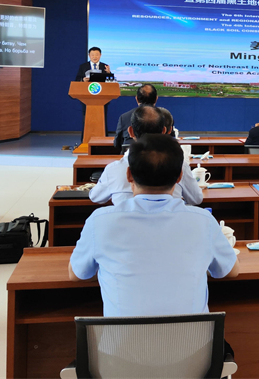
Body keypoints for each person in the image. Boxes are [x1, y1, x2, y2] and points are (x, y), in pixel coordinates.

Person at [69, 134, 239, 319]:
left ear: (128, 175)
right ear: (180, 177)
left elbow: (77, 274)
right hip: (192, 338)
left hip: (122, 338)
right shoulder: (203, 221)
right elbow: (231, 271)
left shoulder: (100, 221)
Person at [89, 105, 202, 206]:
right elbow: (196, 199)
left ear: (130, 131)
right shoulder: (179, 165)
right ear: (164, 130)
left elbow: (95, 197)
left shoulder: (113, 169)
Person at [75, 47, 112, 141]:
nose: (94, 57)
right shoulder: (83, 66)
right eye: (92, 55)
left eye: (97, 55)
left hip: (102, 99)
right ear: (89, 56)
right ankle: (85, 141)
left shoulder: (105, 66)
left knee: (102, 119)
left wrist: (109, 73)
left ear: (100, 55)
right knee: (87, 120)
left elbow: (110, 82)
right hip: (87, 98)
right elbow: (77, 80)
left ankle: (104, 141)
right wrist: (83, 80)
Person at [113, 84, 157, 153]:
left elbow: (117, 144)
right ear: (156, 99)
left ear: (136, 98)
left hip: (129, 156)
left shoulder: (124, 117)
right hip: (157, 157)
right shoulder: (164, 116)